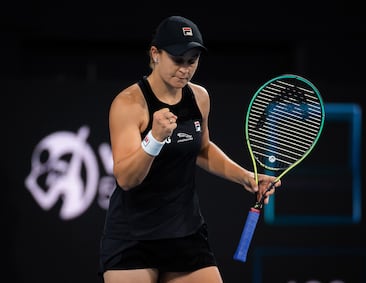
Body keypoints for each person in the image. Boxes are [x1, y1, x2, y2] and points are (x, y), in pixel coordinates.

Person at [98, 15, 281, 283]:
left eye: (192, 61)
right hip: (132, 238)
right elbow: (126, 179)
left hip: (185, 233)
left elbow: (202, 149)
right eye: (178, 60)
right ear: (155, 54)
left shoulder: (200, 97)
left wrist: (247, 177)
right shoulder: (128, 104)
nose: (185, 69)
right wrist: (154, 139)